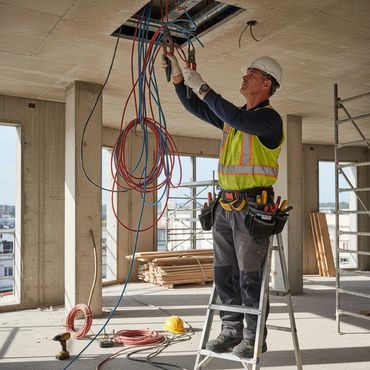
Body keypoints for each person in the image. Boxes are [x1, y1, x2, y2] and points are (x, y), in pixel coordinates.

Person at [162, 53, 284, 358]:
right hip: (225, 208)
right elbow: (197, 107)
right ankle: (230, 331)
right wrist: (179, 79)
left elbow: (236, 117)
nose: (244, 77)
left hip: (254, 208)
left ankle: (254, 336)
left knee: (249, 276)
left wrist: (202, 85)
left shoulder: (269, 119)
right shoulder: (234, 120)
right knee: (224, 274)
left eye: (252, 74)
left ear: (266, 84)